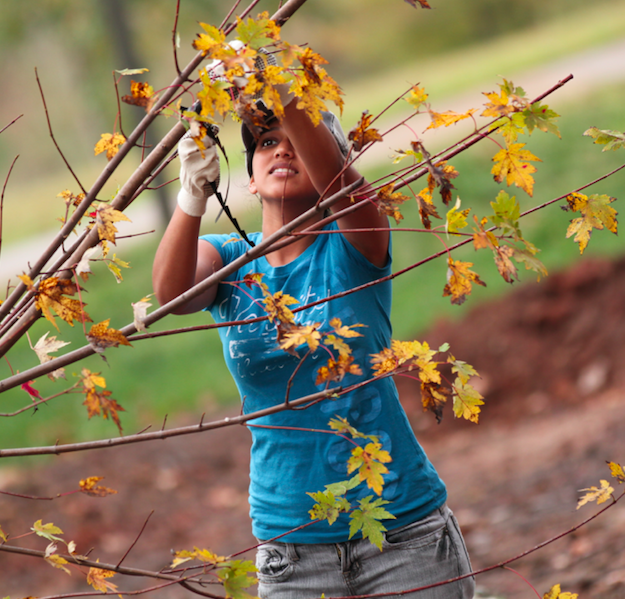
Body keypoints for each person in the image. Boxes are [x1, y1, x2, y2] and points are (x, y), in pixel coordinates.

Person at [152, 87, 475, 598]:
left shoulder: (357, 242)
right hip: (292, 556)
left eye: (297, 142)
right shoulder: (230, 262)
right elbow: (171, 296)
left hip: (404, 538)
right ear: (251, 180)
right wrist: (191, 195)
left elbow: (342, 187)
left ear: (331, 167)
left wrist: (278, 83)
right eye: (265, 142)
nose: (282, 150)